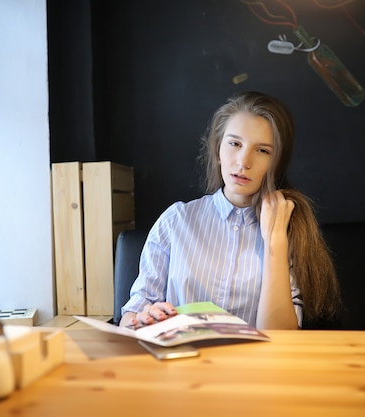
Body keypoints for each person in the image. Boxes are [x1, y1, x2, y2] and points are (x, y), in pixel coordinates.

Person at [120, 91, 341, 330]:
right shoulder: (175, 221)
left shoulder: (290, 227)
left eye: (263, 150)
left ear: (277, 162)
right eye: (235, 144)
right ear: (217, 150)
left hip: (255, 366)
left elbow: (280, 338)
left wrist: (275, 241)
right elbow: (130, 319)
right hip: (182, 363)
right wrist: (140, 320)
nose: (243, 161)